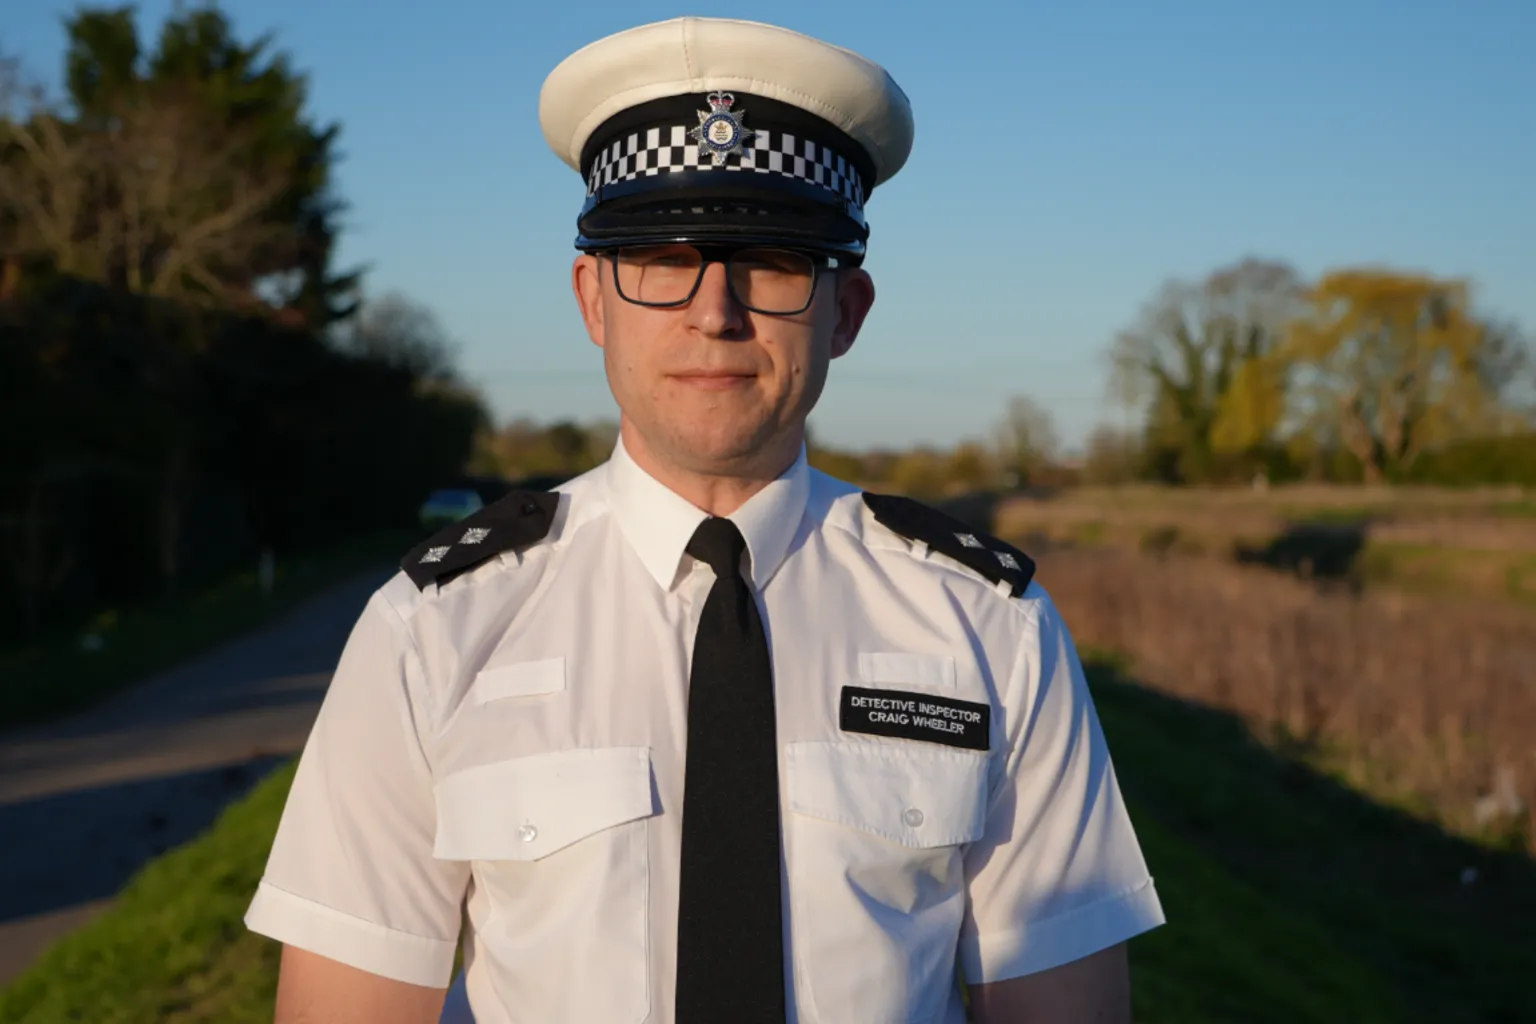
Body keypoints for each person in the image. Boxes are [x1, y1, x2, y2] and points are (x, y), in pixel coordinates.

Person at [244, 16, 1165, 1024]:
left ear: (845, 310)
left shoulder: (992, 629)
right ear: (595, 299)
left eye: (772, 261)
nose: (714, 311)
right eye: (661, 256)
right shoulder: (434, 627)